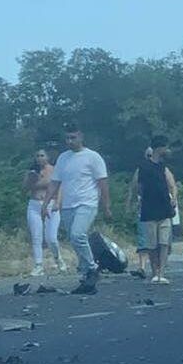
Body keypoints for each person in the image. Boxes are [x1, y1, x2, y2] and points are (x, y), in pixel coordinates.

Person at [42, 123, 110, 294]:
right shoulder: (63, 158)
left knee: (77, 234)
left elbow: (103, 183)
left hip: (87, 202)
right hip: (68, 205)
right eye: (67, 138)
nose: (70, 141)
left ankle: (92, 267)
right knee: (74, 240)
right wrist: (46, 204)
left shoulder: (92, 157)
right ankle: (87, 274)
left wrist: (106, 205)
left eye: (73, 137)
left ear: (81, 137)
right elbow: (55, 182)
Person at [130, 135, 177, 284]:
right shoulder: (143, 167)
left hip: (164, 209)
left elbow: (172, 184)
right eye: (165, 147)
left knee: (164, 243)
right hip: (149, 209)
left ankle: (161, 272)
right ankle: (155, 271)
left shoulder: (164, 167)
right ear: (159, 148)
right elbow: (138, 186)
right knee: (152, 244)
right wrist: (138, 200)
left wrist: (174, 198)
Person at [23, 148, 66, 276]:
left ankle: (59, 259)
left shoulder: (54, 170)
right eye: (37, 156)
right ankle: (38, 265)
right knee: (36, 236)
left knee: (51, 237)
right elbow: (24, 188)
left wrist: (58, 203)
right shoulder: (32, 172)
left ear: (47, 157)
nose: (39, 158)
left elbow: (59, 187)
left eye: (42, 155)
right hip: (34, 204)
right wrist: (32, 179)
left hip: (50, 204)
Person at [126, 147, 153, 278]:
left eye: (151, 155)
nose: (149, 157)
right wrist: (129, 204)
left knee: (158, 239)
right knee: (143, 237)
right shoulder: (140, 170)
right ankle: (142, 267)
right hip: (143, 207)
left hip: (159, 209)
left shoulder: (162, 168)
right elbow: (133, 187)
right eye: (147, 155)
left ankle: (158, 268)